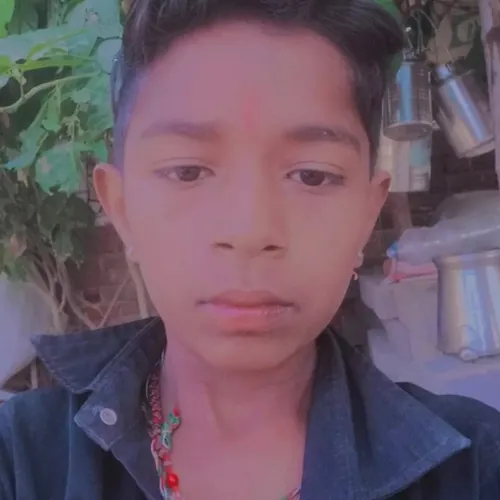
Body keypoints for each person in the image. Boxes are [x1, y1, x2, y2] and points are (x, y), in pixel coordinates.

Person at [2, 0, 500, 498]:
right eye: (188, 171)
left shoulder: (474, 468)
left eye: (312, 175)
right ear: (122, 208)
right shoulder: (21, 461)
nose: (249, 230)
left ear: (366, 216)